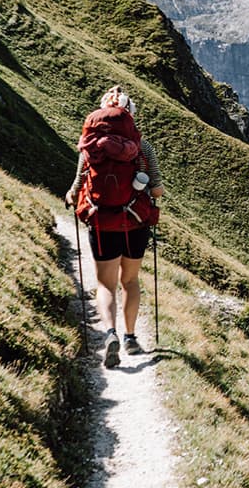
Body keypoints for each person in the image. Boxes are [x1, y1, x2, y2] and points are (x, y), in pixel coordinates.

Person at [66, 86, 163, 367]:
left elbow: (77, 186)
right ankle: (131, 338)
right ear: (130, 116)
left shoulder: (89, 147)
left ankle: (110, 334)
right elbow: (156, 190)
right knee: (129, 281)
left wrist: (71, 195)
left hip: (101, 222)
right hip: (134, 221)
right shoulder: (142, 148)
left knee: (105, 284)